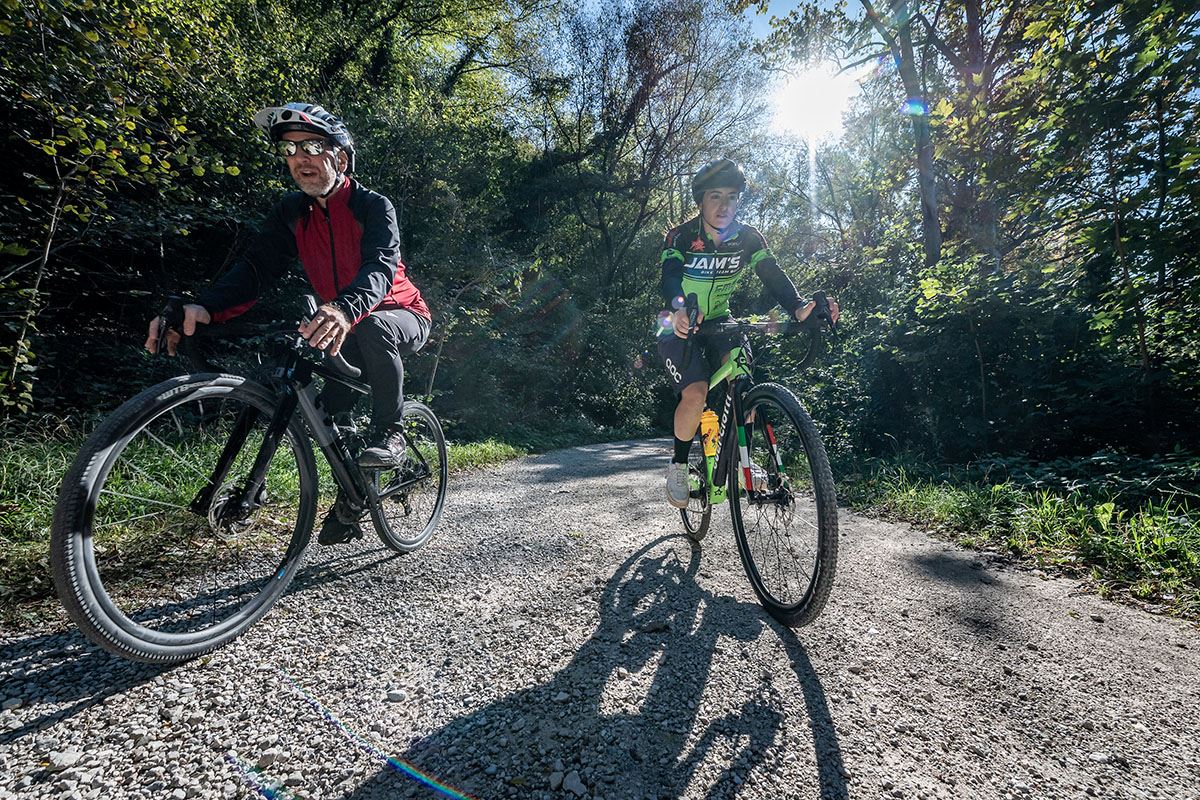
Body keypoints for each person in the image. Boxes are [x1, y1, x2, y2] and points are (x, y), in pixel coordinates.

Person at [144, 102, 432, 543]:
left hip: (398, 314)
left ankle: (390, 432)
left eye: (313, 146)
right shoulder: (292, 212)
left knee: (375, 328)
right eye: (290, 149)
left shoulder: (372, 205)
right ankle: (354, 496)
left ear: (341, 158)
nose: (300, 158)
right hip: (340, 324)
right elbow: (256, 269)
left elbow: (379, 267)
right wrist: (205, 307)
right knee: (330, 414)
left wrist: (345, 307)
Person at [657, 158, 839, 508]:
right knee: (695, 393)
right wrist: (679, 308)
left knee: (743, 383)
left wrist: (799, 306)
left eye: (731, 196)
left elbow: (771, 273)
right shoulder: (681, 236)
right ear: (701, 200)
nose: (724, 205)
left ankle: (744, 459)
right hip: (677, 321)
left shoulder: (747, 237)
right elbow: (670, 276)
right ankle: (678, 464)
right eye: (715, 196)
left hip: (721, 321)